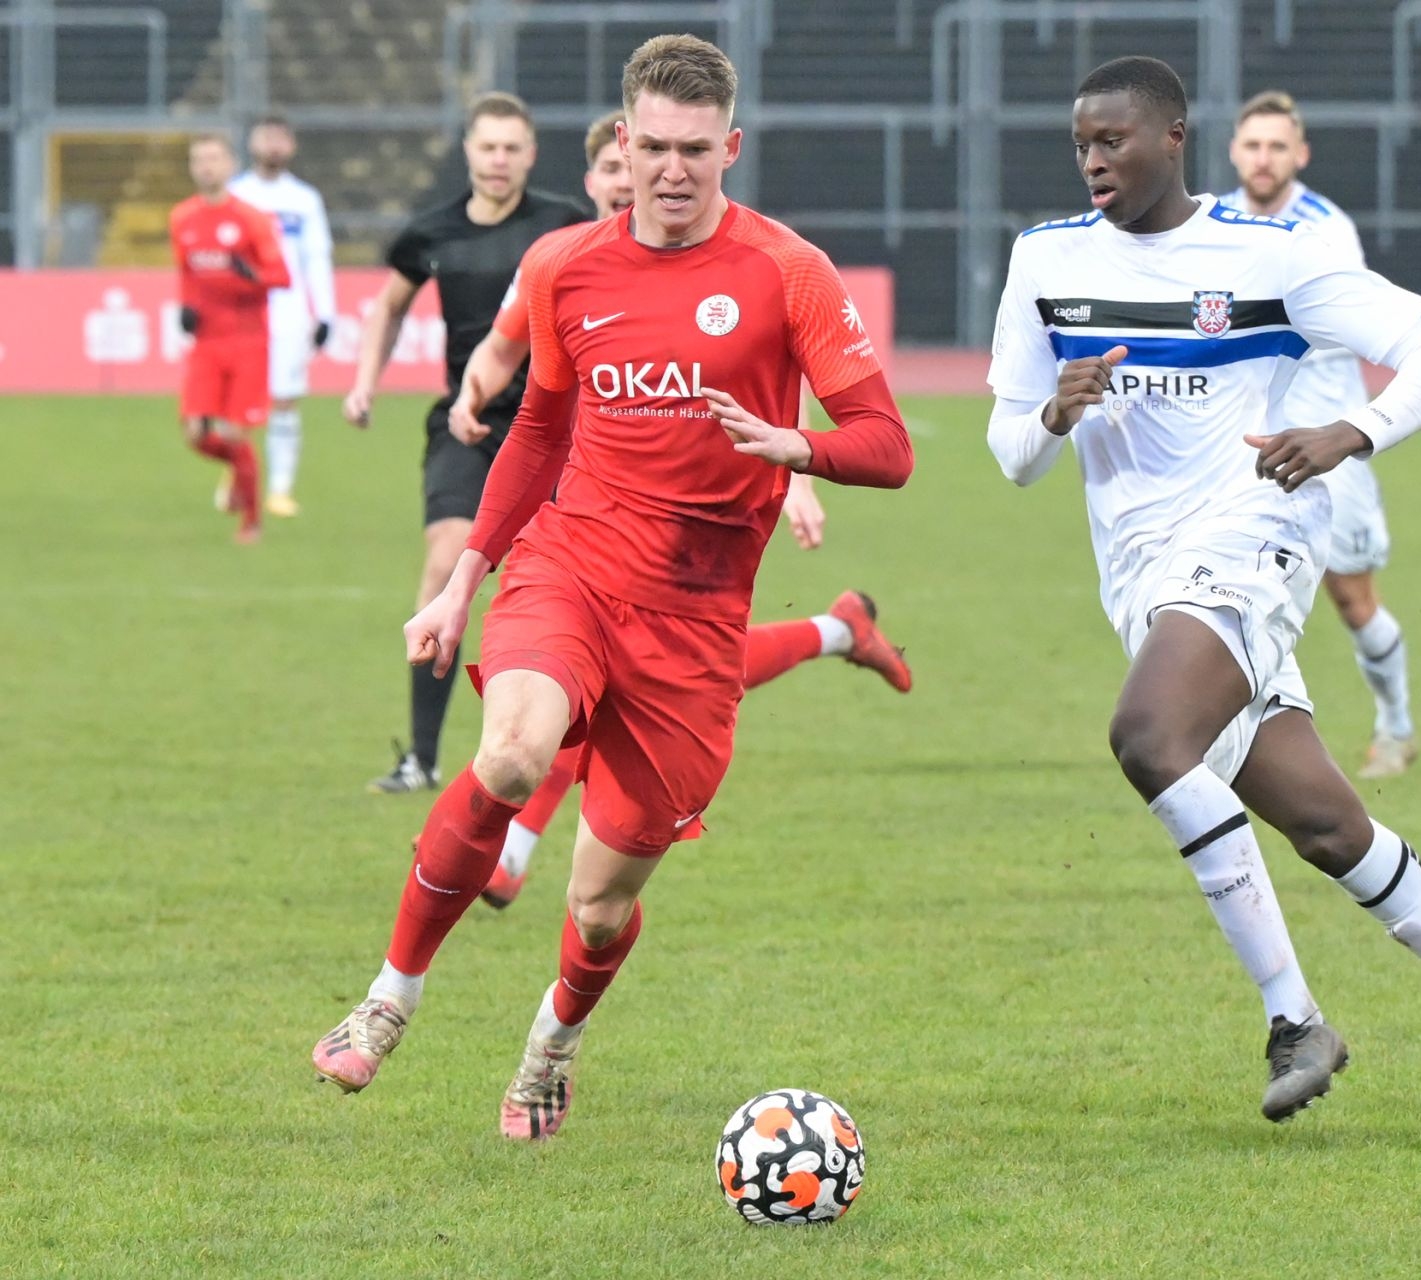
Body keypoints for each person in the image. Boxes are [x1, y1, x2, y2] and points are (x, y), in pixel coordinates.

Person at [311, 34, 914, 1141]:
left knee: (601, 901)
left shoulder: (787, 270)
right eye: (651, 146)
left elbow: (889, 442)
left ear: (730, 147)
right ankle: (390, 996)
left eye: (695, 149)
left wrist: (795, 447)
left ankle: (552, 1043)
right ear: (620, 146)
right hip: (571, 564)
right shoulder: (566, 266)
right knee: (510, 752)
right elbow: (537, 428)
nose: (671, 169)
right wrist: (464, 581)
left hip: (695, 617)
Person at [987, 57, 1421, 1122]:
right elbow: (1010, 459)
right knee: (1327, 828)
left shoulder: (1273, 254)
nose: (1093, 160)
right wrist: (1051, 415)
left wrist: (1349, 430)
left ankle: (1293, 1016)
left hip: (1253, 538)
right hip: (1143, 579)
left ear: (1174, 136)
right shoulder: (1044, 262)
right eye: (1081, 142)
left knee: (1148, 737)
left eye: (1113, 140)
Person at [449, 110, 913, 910]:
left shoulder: (750, 267)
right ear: (604, 172)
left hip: (697, 565)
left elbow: (773, 380)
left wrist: (798, 468)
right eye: (618, 164)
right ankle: (517, 849)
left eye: (686, 152)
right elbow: (514, 358)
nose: (639, 177)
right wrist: (475, 385)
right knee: (555, 684)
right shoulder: (564, 263)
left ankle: (835, 631)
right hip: (585, 527)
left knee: (686, 684)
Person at [344, 92, 590, 794]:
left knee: (566, 586)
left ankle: (567, 746)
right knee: (445, 559)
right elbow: (389, 307)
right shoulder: (431, 233)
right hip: (466, 421)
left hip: (548, 430)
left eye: (513, 147)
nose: (499, 160)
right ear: (469, 151)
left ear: (531, 155)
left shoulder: (561, 225)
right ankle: (421, 757)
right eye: (488, 146)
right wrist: (366, 383)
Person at [1222, 91, 1416, 778]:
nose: (1264, 158)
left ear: (1299, 155)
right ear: (1233, 152)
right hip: (1244, 450)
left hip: (1332, 444)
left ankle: (1395, 726)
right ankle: (1235, 737)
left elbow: (1332, 323)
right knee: (1227, 591)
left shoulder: (1326, 230)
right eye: (1253, 145)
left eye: (1277, 146)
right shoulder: (1213, 223)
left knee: (1353, 601)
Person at [169, 133, 290, 544]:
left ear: (230, 164)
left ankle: (251, 521)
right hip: (206, 340)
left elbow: (281, 276)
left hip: (248, 340)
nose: (206, 166)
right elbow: (187, 273)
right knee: (195, 434)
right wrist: (186, 306)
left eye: (214, 158)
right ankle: (241, 473)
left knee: (237, 434)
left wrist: (248, 275)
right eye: (198, 159)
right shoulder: (182, 217)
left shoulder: (252, 219)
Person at [229, 114, 338, 516]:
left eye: (280, 138)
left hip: (289, 315)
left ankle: (279, 488)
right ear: (252, 142)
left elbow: (317, 259)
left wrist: (324, 313)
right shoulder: (235, 195)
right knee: (235, 401)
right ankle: (238, 477)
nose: (273, 145)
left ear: (290, 146)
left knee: (285, 399)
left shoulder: (304, 200)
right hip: (242, 314)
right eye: (266, 136)